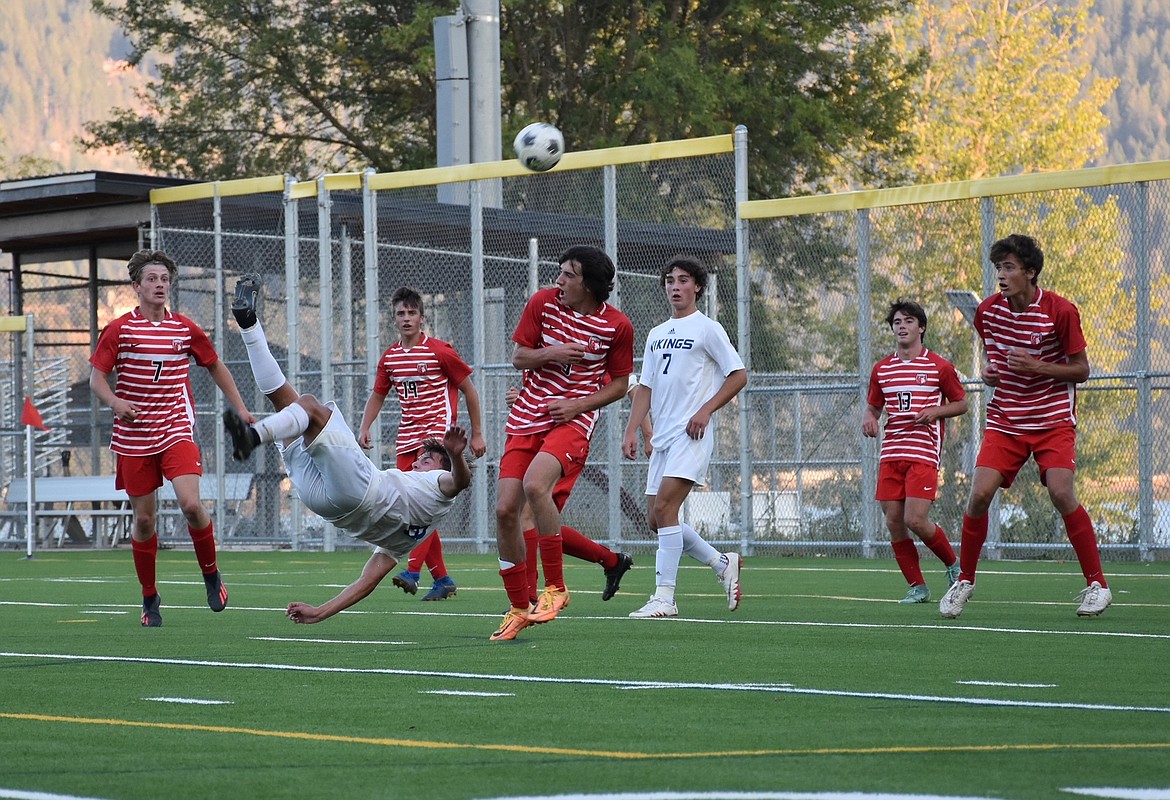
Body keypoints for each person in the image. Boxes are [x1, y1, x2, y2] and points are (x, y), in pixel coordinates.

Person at [222, 275, 472, 624]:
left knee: (308, 405)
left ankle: (252, 437)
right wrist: (320, 612)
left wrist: (457, 455)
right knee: (286, 404)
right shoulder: (402, 543)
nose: (419, 461)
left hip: (362, 488)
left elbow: (459, 482)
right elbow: (366, 582)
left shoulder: (439, 487)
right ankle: (249, 324)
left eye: (428, 458)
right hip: (327, 506)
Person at [939, 233, 1112, 618]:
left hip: (1052, 418)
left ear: (1030, 273)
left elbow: (1081, 370)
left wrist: (1037, 367)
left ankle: (1097, 585)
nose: (1001, 275)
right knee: (979, 494)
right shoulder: (988, 312)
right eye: (999, 267)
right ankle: (964, 580)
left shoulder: (1061, 311)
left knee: (1061, 492)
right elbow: (992, 362)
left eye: (1010, 267)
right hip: (1006, 418)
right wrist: (988, 373)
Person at [89, 249, 254, 628]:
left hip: (176, 428)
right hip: (133, 437)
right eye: (152, 279)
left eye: (164, 279)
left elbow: (215, 365)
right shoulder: (119, 329)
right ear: (136, 286)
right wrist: (116, 402)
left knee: (191, 505)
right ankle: (149, 596)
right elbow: (98, 377)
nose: (160, 284)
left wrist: (242, 409)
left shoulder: (184, 328)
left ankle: (212, 576)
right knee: (145, 521)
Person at [492, 245, 635, 641]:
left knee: (535, 487)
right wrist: (552, 352)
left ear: (588, 284)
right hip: (526, 417)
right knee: (506, 511)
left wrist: (578, 405)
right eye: (560, 272)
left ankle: (555, 588)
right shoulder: (543, 303)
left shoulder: (617, 327)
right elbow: (520, 357)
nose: (559, 281)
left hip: (572, 421)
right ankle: (519, 606)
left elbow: (621, 386)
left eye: (568, 275)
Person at [622, 256, 747, 618]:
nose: (675, 286)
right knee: (655, 519)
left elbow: (738, 375)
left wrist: (705, 410)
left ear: (697, 288)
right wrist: (632, 429)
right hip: (662, 438)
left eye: (683, 280)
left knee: (665, 510)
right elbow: (644, 387)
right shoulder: (656, 333)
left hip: (691, 436)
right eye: (670, 280)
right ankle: (721, 562)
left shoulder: (708, 329)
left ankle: (665, 597)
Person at [356, 286, 486, 602]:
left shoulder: (440, 351)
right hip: (406, 439)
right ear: (394, 318)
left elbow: (469, 389)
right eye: (401, 313)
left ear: (422, 318)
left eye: (412, 313)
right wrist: (364, 427)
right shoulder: (390, 357)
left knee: (422, 510)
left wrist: (478, 433)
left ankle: (413, 571)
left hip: (437, 437)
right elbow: (378, 395)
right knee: (408, 509)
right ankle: (441, 578)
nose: (406, 318)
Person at [862, 300, 968, 604]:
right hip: (891, 454)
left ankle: (953, 566)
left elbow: (961, 403)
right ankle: (917, 587)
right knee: (894, 521)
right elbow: (874, 406)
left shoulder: (939, 366)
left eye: (908, 321)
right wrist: (869, 418)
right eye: (897, 322)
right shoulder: (882, 369)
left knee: (915, 519)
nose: (902, 326)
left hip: (923, 454)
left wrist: (936, 411)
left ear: (920, 327)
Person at [505, 379, 646, 606]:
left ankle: (528, 600)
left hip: (567, 439)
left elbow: (631, 386)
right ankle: (612, 561)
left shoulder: (592, 347)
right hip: (538, 436)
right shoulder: (541, 350)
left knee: (528, 516)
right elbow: (542, 389)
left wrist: (644, 434)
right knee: (536, 524)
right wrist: (521, 399)